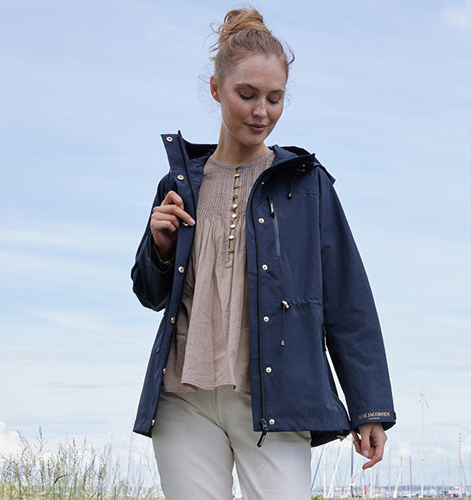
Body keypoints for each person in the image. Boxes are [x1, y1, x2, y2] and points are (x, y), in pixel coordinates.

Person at [128, 6, 395, 499]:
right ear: (215, 89)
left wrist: (369, 406)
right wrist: (159, 248)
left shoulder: (307, 183)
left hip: (276, 396)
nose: (261, 111)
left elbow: (347, 296)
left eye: (275, 98)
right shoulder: (179, 184)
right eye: (246, 94)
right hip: (182, 397)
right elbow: (149, 294)